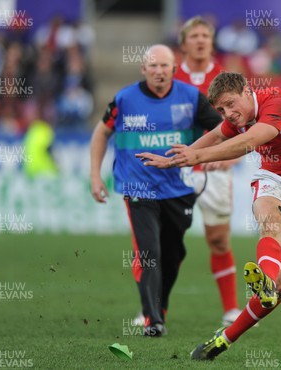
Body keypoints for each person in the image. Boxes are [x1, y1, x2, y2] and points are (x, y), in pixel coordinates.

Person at [136, 71, 281, 360]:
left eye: (230, 104)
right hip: (273, 179)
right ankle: (264, 278)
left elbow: (249, 142)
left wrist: (197, 158)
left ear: (246, 90)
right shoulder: (236, 117)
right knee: (271, 222)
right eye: (221, 110)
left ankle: (225, 338)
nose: (228, 114)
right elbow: (216, 134)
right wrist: (178, 158)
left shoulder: (278, 103)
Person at [89, 44, 223, 336]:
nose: (159, 72)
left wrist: (221, 156)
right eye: (153, 66)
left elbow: (222, 130)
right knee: (149, 251)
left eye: (165, 66)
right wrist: (95, 176)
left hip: (178, 188)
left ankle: (158, 307)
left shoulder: (190, 98)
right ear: (143, 70)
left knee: (173, 255)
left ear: (174, 69)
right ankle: (153, 320)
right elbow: (101, 132)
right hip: (138, 188)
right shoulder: (124, 99)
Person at [174, 16, 241, 326]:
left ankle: (230, 309)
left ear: (212, 41)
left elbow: (245, 124)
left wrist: (231, 158)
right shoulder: (169, 74)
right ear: (184, 42)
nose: (200, 40)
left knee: (218, 240)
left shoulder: (226, 78)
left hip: (214, 170)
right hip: (174, 169)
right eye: (194, 36)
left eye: (206, 35)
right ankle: (153, 312)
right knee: (161, 242)